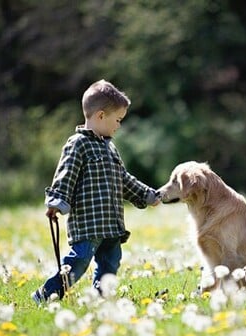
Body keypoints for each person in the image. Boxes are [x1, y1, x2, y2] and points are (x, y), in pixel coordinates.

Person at [32, 79, 160, 304]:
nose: (119, 126)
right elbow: (66, 173)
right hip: (88, 224)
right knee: (79, 261)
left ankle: (100, 298)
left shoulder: (110, 148)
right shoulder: (78, 144)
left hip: (111, 224)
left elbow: (123, 179)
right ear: (101, 116)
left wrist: (146, 194)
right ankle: (46, 295)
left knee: (110, 263)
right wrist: (56, 201)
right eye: (118, 120)